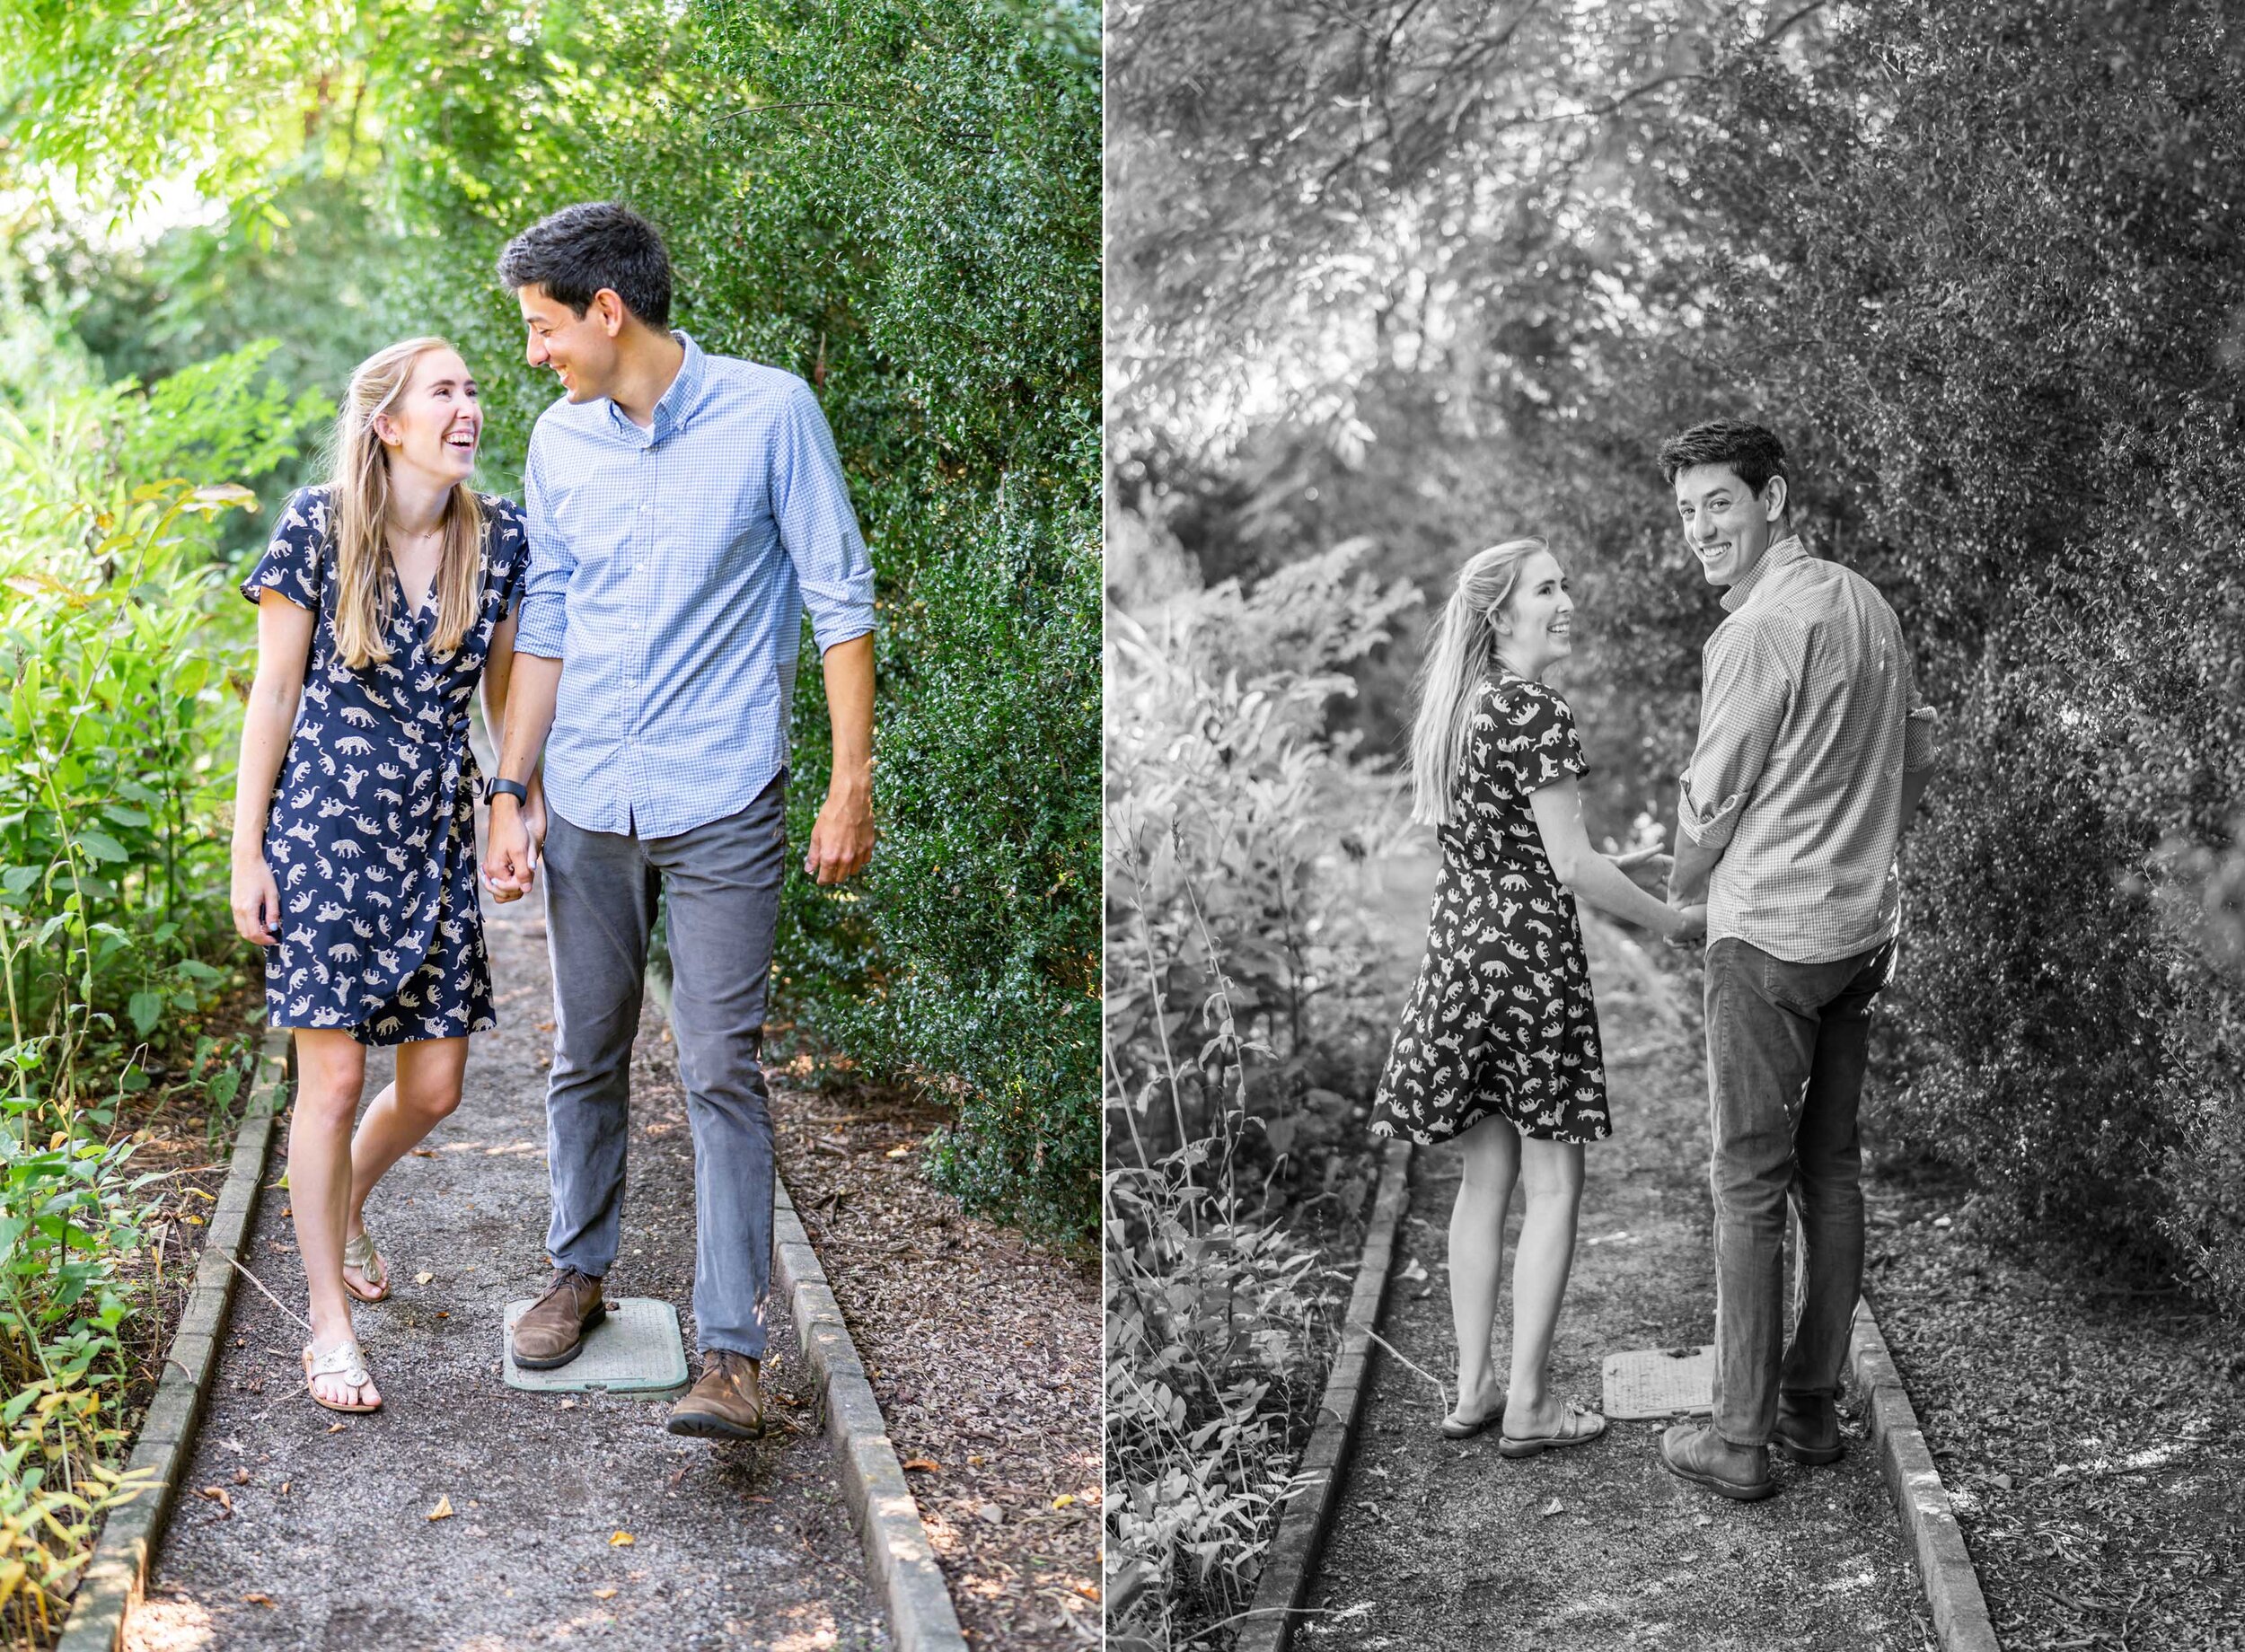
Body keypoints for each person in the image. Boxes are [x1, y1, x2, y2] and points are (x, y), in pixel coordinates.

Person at [480, 202, 876, 1441]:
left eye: (546, 327)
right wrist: (510, 784)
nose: (536, 353)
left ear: (608, 310)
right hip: (592, 797)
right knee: (583, 1053)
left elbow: (838, 595)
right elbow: (546, 620)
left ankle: (735, 1355)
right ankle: (578, 1276)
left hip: (721, 799)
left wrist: (848, 779)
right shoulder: (559, 442)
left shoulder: (770, 415)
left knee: (718, 1066)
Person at [230, 338, 534, 1413]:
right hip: (323, 834)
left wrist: (516, 800)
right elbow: (270, 699)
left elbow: (507, 698)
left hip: (434, 837)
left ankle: (342, 1194)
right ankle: (326, 1325)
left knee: (437, 1086)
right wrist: (247, 850)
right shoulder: (319, 526)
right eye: (444, 392)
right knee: (336, 1081)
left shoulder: (497, 538)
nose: (470, 409)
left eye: (472, 391)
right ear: (388, 422)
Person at [1654, 419, 1938, 1501]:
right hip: (1860, 934)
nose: (1699, 529)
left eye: (1718, 503)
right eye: (1686, 512)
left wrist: (1683, 881)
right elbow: (1916, 746)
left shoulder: (1760, 629)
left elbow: (1710, 797)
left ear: (1773, 497)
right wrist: (1870, 843)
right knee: (1830, 1172)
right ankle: (1812, 1409)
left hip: (1768, 937)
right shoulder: (1865, 602)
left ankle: (1737, 1435)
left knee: (1745, 1184)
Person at [1370, 539, 1704, 1455]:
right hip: (1528, 965)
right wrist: (1672, 923)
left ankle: (1473, 1385)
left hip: (1458, 960)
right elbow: (1566, 865)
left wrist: (1625, 867)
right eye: (1546, 589)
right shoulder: (1536, 710)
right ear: (1499, 613)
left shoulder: (1458, 709)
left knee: (1484, 1179)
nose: (1567, 600)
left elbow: (1519, 847)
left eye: (1563, 585)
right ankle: (1530, 1403)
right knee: (1554, 1182)